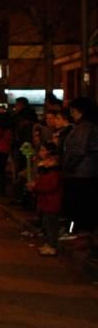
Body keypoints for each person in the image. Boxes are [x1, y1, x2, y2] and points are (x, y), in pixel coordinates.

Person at [61, 98, 98, 245]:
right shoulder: (87, 126)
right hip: (84, 171)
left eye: (73, 111)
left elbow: (79, 150)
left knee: (76, 204)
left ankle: (74, 231)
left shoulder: (85, 127)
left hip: (80, 172)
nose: (72, 114)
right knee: (80, 204)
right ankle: (77, 231)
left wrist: (68, 165)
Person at [28, 141, 62, 256]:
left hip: (52, 204)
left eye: (48, 160)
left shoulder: (54, 174)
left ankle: (52, 246)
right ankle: (48, 244)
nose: (45, 162)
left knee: (52, 227)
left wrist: (35, 186)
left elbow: (49, 187)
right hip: (47, 204)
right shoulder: (47, 173)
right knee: (47, 226)